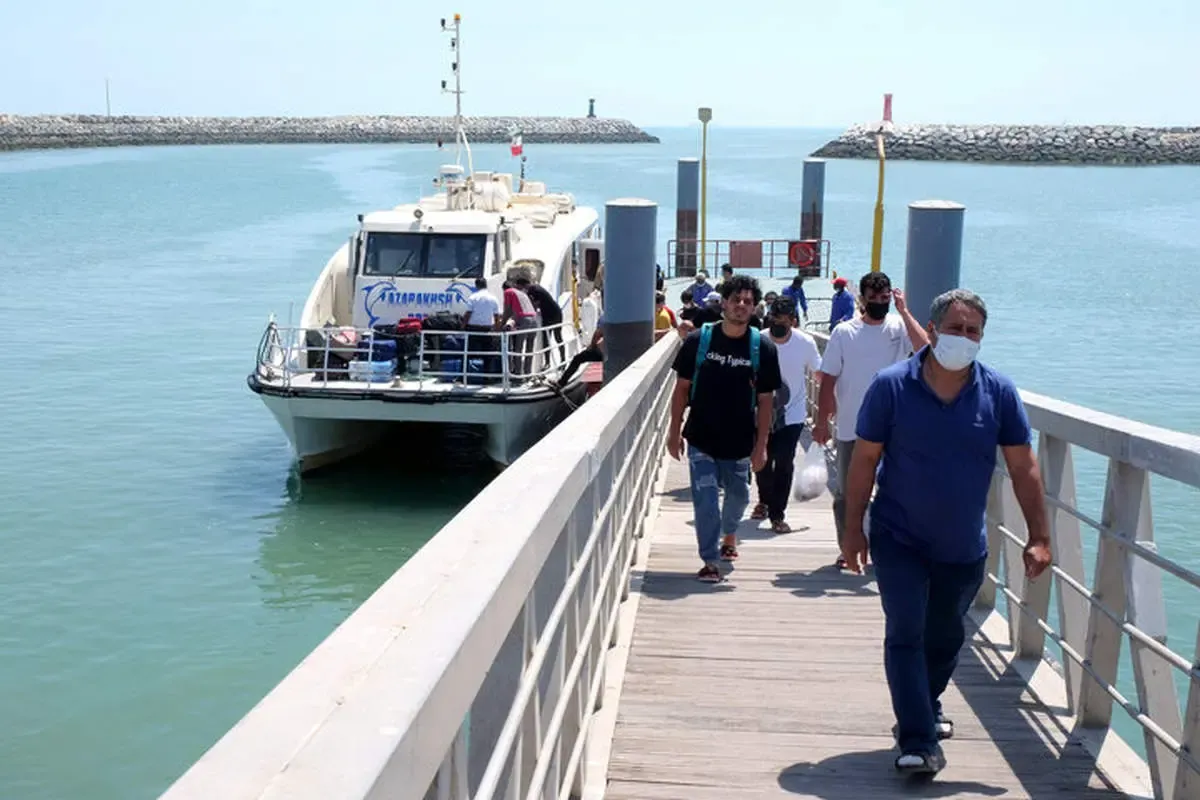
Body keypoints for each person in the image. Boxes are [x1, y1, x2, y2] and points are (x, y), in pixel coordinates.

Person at [844, 288, 1052, 775]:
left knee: (945, 638)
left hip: (962, 545)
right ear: (932, 330)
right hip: (898, 537)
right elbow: (864, 461)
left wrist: (1040, 536)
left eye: (973, 331)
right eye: (955, 329)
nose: (963, 338)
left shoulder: (998, 392)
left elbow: (1024, 468)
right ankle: (916, 740)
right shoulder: (891, 386)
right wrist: (853, 529)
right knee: (905, 632)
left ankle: (927, 704)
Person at [667, 275, 782, 583]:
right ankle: (709, 560)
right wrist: (673, 430)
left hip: (740, 441)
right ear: (724, 303)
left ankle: (730, 533)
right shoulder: (698, 340)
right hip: (701, 437)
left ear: (754, 307)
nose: (741, 306)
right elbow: (681, 389)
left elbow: (766, 400)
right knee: (705, 500)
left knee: (739, 497)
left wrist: (761, 446)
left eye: (747, 301)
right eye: (736, 300)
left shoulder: (763, 347)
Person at [813, 272, 929, 569]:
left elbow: (926, 349)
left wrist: (903, 310)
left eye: (884, 297)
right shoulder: (844, 332)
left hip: (895, 428)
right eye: (874, 298)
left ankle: (885, 547)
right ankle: (847, 546)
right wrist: (821, 421)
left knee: (894, 491)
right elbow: (828, 379)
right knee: (847, 493)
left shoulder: (898, 327)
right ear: (861, 299)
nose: (880, 303)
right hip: (853, 426)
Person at [750, 297, 821, 532]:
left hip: (793, 415)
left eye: (783, 320)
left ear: (793, 320)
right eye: (773, 319)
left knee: (784, 462)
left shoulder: (805, 342)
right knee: (762, 459)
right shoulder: (758, 340)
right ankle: (763, 500)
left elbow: (819, 373)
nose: (777, 324)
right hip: (761, 413)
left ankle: (777, 514)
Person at [464, 277, 501, 379]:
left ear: (476, 286)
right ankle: (487, 376)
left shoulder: (473, 297)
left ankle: (464, 376)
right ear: (486, 285)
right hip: (488, 329)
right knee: (487, 354)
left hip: (473, 329)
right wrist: (497, 330)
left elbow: (468, 314)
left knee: (467, 352)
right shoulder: (493, 298)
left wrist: (462, 326)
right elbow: (497, 317)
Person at [521, 278, 565, 365]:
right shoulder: (535, 288)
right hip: (551, 313)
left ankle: (560, 360)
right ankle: (551, 361)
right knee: (550, 338)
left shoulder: (533, 290)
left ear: (524, 285)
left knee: (555, 337)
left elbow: (535, 304)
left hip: (552, 314)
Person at [500, 280, 539, 376]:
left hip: (524, 319)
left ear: (504, 288)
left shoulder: (508, 292)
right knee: (530, 348)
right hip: (534, 319)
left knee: (518, 347)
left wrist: (502, 324)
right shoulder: (521, 293)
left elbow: (507, 310)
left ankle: (517, 374)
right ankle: (528, 372)